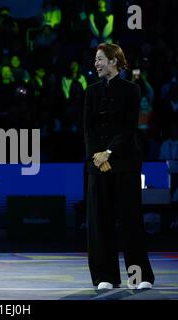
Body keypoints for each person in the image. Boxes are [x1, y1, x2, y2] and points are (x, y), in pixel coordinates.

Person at [83, 43, 154, 290]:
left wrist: (108, 153)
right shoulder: (91, 92)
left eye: (101, 59)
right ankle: (105, 276)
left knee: (130, 220)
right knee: (99, 222)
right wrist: (97, 157)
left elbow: (128, 128)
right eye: (95, 59)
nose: (96, 64)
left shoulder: (131, 90)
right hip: (97, 165)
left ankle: (139, 276)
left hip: (125, 163)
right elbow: (88, 129)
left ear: (114, 61)